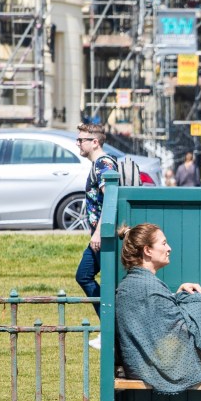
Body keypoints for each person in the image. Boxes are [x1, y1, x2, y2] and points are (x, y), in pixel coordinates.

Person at [114, 223, 201, 394]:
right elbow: (180, 331)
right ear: (147, 250)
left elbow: (163, 321)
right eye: (163, 243)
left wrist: (177, 296)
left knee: (191, 300)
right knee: (200, 304)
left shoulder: (135, 283)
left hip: (141, 365)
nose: (169, 248)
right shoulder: (147, 286)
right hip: (156, 369)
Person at [75, 122, 118, 350]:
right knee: (84, 275)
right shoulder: (98, 164)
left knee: (92, 278)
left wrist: (100, 232)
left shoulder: (103, 164)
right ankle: (110, 327)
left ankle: (112, 330)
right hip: (99, 237)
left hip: (103, 238)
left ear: (95, 142)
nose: (78, 143)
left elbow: (110, 198)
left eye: (81, 139)